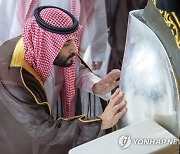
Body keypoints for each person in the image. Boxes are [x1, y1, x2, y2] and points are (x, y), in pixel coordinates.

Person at [0, 6, 127, 154]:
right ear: (47, 45)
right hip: (19, 139)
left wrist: (95, 85)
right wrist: (100, 123)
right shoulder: (13, 76)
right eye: (66, 43)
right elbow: (42, 132)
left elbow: (75, 70)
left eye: (73, 40)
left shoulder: (45, 49)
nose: (74, 48)